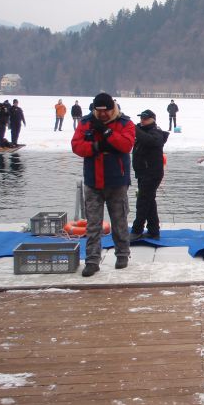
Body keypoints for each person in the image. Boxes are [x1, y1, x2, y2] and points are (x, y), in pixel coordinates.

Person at [71, 93, 135, 277]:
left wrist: (108, 133)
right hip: (93, 182)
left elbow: (126, 145)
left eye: (105, 111)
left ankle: (122, 254)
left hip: (117, 182)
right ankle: (92, 261)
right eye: (98, 111)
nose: (102, 115)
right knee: (93, 224)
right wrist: (96, 147)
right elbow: (76, 146)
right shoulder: (85, 122)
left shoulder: (125, 123)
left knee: (119, 220)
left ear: (112, 107)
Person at [130, 109, 169, 242]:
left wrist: (135, 129)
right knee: (149, 202)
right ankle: (153, 231)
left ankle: (137, 230)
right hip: (143, 173)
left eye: (145, 118)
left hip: (151, 174)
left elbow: (150, 141)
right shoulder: (143, 132)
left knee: (142, 202)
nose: (142, 120)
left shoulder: (156, 133)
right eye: (141, 118)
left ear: (153, 119)